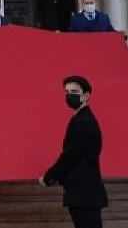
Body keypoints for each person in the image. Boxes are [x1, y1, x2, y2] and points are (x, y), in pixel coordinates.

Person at [39, 75, 107, 228]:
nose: (70, 96)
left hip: (84, 192)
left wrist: (49, 177)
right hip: (82, 191)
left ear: (86, 95)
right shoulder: (80, 118)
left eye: (74, 91)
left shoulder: (84, 121)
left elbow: (71, 155)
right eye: (67, 92)